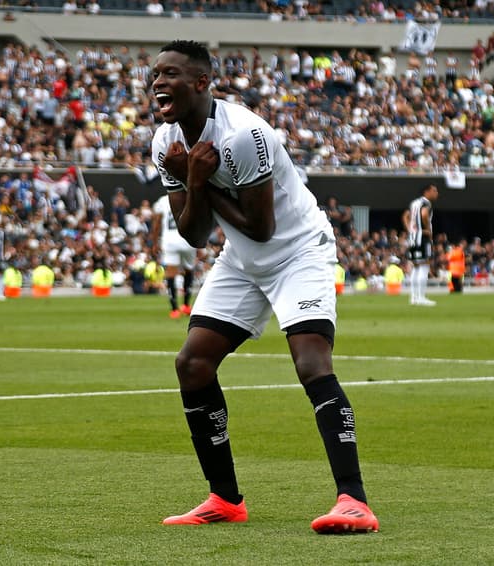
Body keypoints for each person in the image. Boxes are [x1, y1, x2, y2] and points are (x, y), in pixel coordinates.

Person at [149, 40, 377, 533]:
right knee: (192, 363)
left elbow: (262, 227)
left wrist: (199, 182)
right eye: (155, 75)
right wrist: (191, 181)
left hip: (298, 250)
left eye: (170, 74)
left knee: (311, 362)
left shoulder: (244, 135)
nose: (158, 82)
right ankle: (225, 500)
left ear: (201, 83)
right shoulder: (164, 141)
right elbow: (192, 234)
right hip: (243, 259)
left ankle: (353, 500)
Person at [152, 194, 197, 318]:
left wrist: (155, 243)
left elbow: (157, 223)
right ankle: (186, 305)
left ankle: (174, 309)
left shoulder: (163, 200)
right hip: (187, 239)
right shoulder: (189, 197)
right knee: (189, 270)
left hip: (170, 240)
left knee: (171, 273)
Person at [402, 183, 439, 306]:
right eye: (434, 191)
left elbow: (405, 216)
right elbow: (424, 215)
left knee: (416, 267)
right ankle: (421, 297)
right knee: (424, 266)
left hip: (413, 238)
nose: (436, 193)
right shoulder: (426, 204)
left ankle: (414, 297)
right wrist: (428, 229)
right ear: (427, 192)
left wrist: (410, 230)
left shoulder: (414, 203)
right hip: (423, 238)